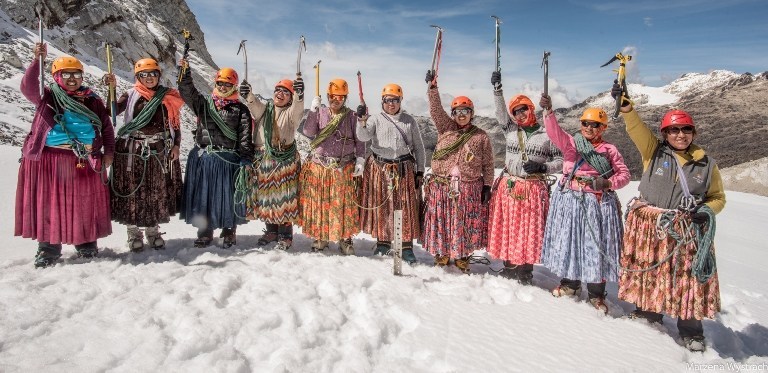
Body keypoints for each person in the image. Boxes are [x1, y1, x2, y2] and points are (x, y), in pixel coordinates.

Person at [611, 83, 725, 352]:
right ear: (665, 133)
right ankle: (649, 312)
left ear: (693, 132)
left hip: (686, 230)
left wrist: (706, 211)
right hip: (653, 226)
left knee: (688, 278)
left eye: (686, 129)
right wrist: (627, 108)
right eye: (674, 129)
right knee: (651, 270)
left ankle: (690, 329)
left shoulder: (706, 163)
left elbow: (717, 197)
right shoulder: (654, 151)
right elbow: (636, 129)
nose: (680, 134)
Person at [16, 43, 114, 267]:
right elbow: (27, 87)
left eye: (76, 74)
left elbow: (106, 127)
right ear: (56, 76)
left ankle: (86, 242)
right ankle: (49, 248)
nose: (72, 78)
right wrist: (36, 61)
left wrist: (109, 152)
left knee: (85, 203)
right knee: (49, 203)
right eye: (66, 74)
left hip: (86, 158)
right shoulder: (47, 96)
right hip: (51, 158)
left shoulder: (92, 100)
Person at [538, 96, 630, 313]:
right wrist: (549, 111)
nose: (589, 128)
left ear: (603, 127)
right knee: (570, 241)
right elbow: (554, 132)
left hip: (595, 202)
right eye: (585, 123)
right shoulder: (571, 143)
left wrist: (608, 182)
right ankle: (571, 284)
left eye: (594, 124)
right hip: (571, 199)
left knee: (595, 245)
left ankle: (597, 292)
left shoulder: (609, 149)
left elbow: (624, 174)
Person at [486, 71, 562, 284]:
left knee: (527, 231)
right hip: (510, 186)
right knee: (510, 227)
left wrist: (543, 167)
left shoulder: (548, 133)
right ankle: (510, 267)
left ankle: (525, 272)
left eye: (524, 110)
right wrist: (497, 90)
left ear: (531, 109)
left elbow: (562, 161)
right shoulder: (511, 129)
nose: (520, 115)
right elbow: (501, 114)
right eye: (516, 112)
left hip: (533, 188)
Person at [102, 58, 184, 252]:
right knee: (133, 190)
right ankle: (133, 233)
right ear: (138, 76)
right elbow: (111, 111)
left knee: (155, 191)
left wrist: (176, 145)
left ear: (158, 76)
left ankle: (152, 230)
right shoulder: (130, 95)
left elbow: (175, 124)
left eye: (153, 74)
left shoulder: (168, 97)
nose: (149, 78)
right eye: (144, 75)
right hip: (132, 150)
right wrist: (111, 90)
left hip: (159, 149)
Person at [422, 71, 494, 273]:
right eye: (457, 111)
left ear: (472, 113)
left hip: (469, 187)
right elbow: (435, 109)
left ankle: (463, 256)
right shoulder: (446, 127)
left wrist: (487, 185)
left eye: (465, 111)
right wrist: (433, 88)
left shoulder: (481, 136)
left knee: (464, 223)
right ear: (452, 114)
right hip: (442, 185)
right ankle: (442, 253)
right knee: (442, 221)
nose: (461, 115)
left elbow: (488, 163)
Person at [177, 59, 253, 248]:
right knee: (205, 197)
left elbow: (245, 136)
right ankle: (205, 232)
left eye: (228, 84)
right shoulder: (203, 104)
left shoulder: (240, 109)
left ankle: (229, 231)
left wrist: (246, 158)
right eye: (220, 83)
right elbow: (188, 92)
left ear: (233, 86)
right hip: (206, 158)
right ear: (215, 83)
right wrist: (184, 73)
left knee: (228, 197)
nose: (223, 86)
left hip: (229, 160)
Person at [356, 83, 426, 264]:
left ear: (400, 100)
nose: (391, 104)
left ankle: (406, 246)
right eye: (388, 100)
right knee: (383, 206)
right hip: (380, 168)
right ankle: (383, 242)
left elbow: (418, 147)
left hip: (404, 168)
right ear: (382, 101)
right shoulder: (375, 119)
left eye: (395, 100)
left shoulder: (409, 121)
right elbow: (363, 137)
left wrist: (420, 171)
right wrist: (361, 120)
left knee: (405, 206)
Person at [300, 78, 366, 254]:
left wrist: (361, 159)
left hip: (343, 166)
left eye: (340, 97)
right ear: (328, 96)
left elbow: (360, 139)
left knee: (343, 205)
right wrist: (313, 111)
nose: (336, 100)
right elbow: (308, 132)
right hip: (320, 166)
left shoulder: (352, 116)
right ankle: (321, 237)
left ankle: (345, 238)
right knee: (321, 203)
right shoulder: (320, 112)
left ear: (345, 98)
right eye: (332, 96)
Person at [240, 78, 305, 250]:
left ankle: (285, 235)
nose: (280, 94)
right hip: (263, 160)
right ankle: (271, 231)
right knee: (266, 198)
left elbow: (298, 109)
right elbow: (254, 105)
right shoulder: (265, 110)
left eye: (285, 92)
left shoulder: (291, 114)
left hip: (284, 161)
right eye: (277, 90)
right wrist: (248, 95)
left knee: (285, 199)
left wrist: (299, 95)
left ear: (290, 98)